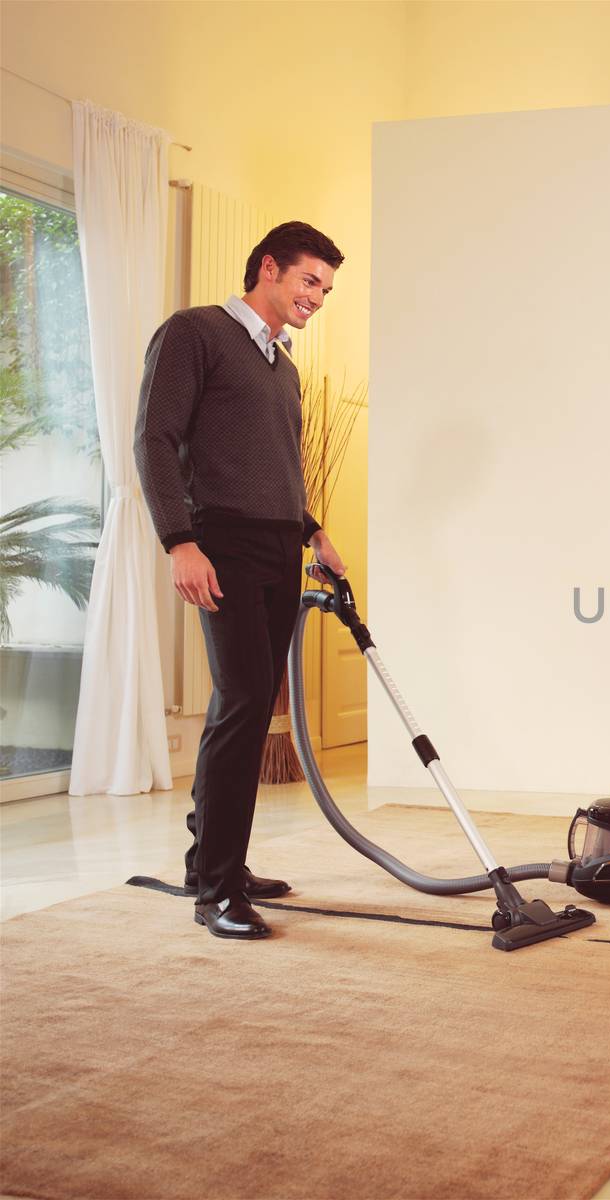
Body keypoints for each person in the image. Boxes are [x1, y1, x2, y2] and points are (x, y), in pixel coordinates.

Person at [134, 221, 346, 941]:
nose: (317, 297)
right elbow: (155, 440)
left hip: (279, 547)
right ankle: (217, 892)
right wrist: (180, 542)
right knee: (246, 698)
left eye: (325, 288)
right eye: (308, 280)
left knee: (245, 706)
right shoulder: (194, 333)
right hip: (217, 543)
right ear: (268, 268)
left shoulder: (282, 367)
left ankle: (213, 863)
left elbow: (276, 465)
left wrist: (312, 529)